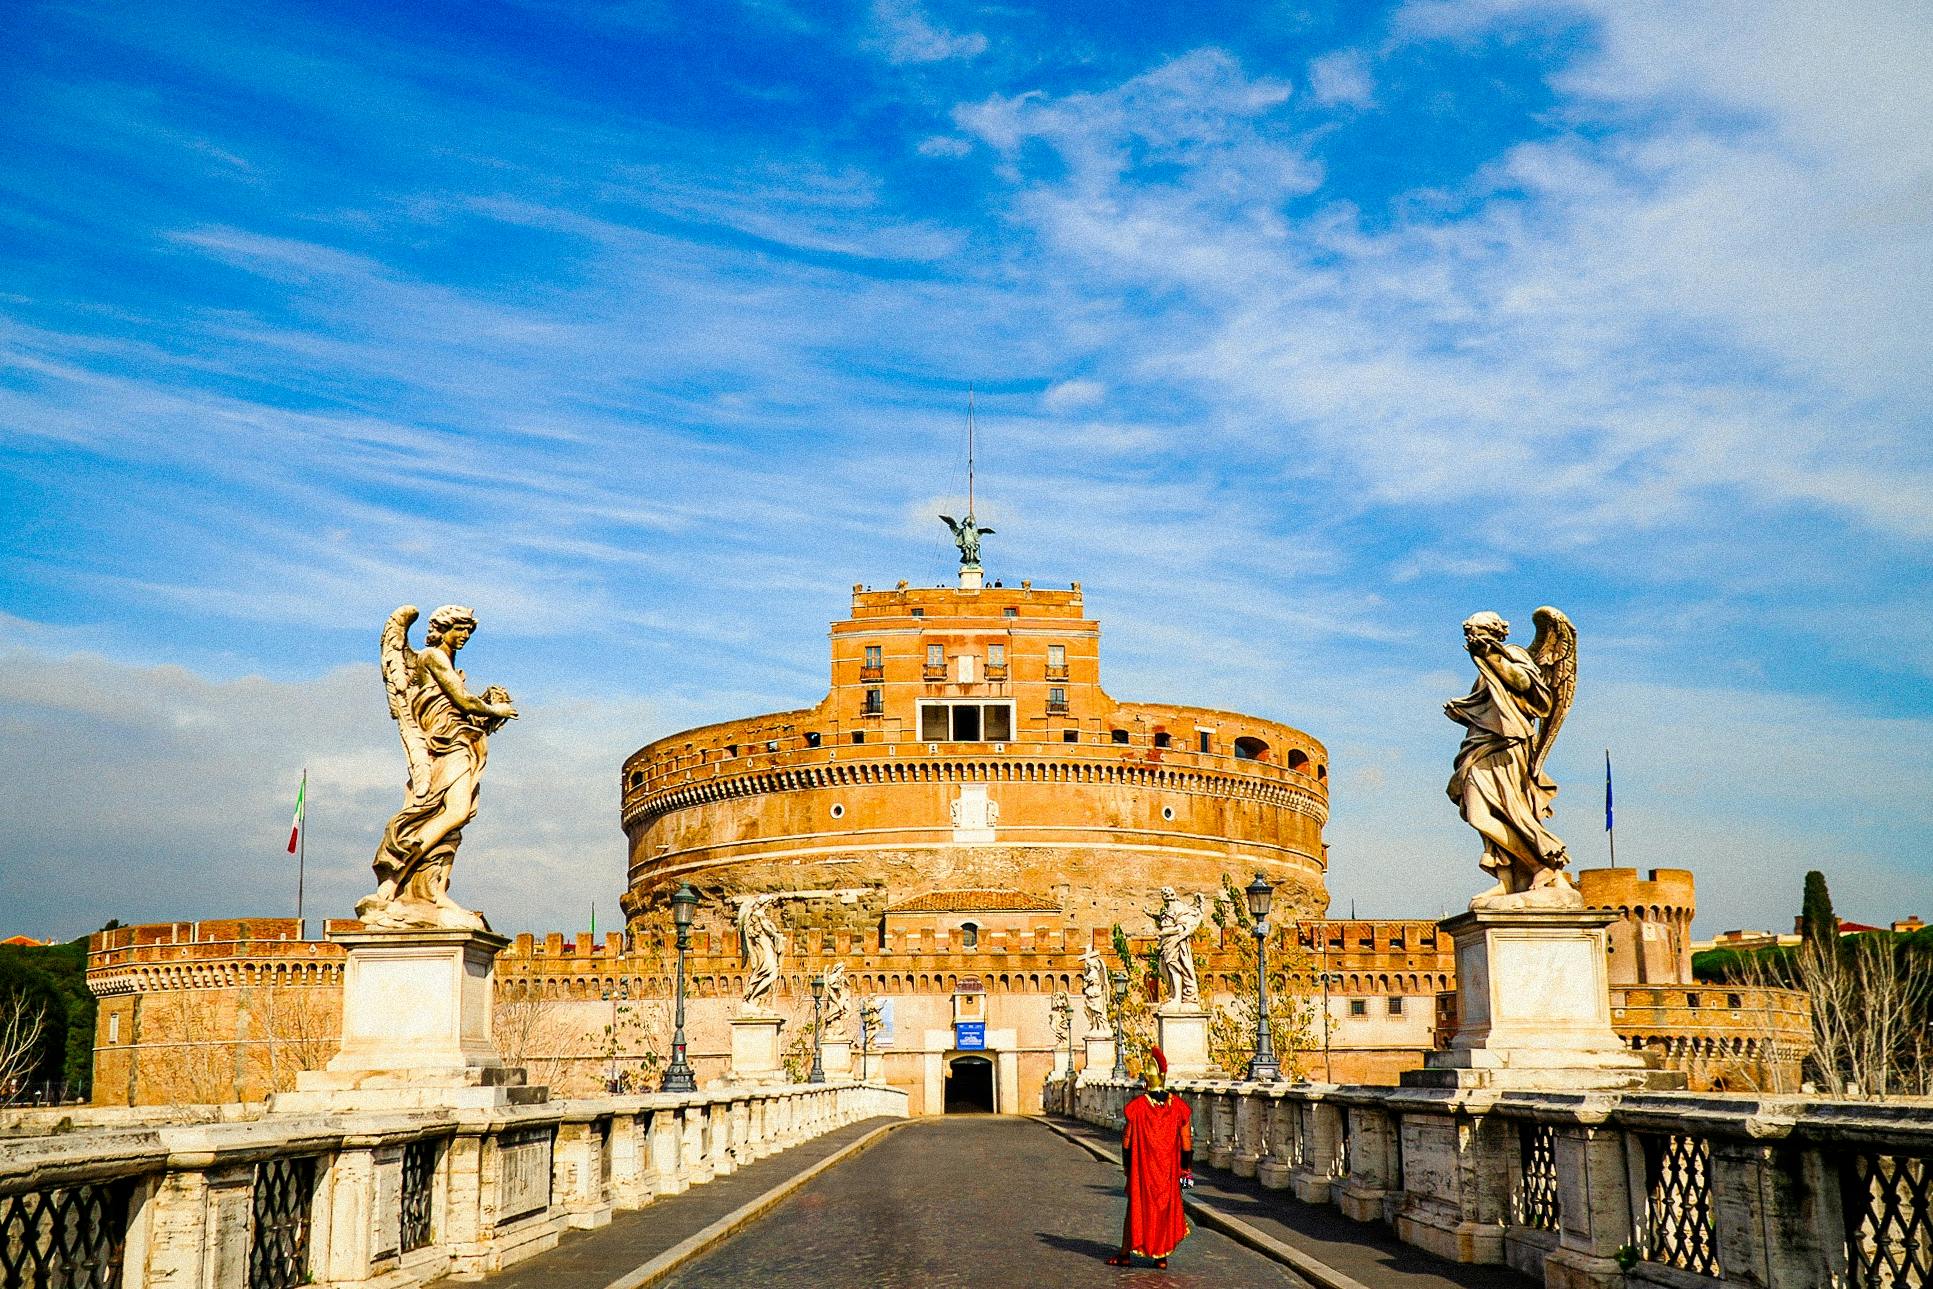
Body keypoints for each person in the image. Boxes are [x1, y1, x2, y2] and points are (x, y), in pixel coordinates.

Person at [1108, 1047, 1193, 1269]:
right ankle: (1161, 1257)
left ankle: (1125, 1254)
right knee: (1164, 1210)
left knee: (1137, 1209)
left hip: (1143, 1170)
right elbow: (1186, 1143)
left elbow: (1127, 1141)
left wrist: (1127, 1166)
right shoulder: (1178, 1107)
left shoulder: (1137, 1108)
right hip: (1169, 1171)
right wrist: (1186, 1171)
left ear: (1147, 1080)